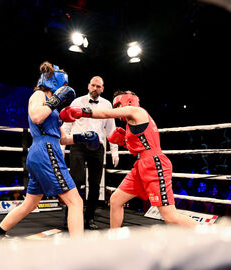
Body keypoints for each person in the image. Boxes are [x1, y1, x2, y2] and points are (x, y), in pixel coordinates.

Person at [0, 61, 100, 238]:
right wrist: (55, 100)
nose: (65, 88)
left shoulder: (52, 107)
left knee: (30, 204)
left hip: (45, 150)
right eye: (63, 84)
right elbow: (36, 117)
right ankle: (80, 249)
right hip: (45, 151)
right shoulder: (39, 95)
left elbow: (62, 138)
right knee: (75, 201)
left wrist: (82, 137)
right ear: (54, 82)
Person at [60, 90, 197, 228]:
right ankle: (114, 239)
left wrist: (83, 112)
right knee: (115, 200)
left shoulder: (137, 111)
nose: (118, 109)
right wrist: (124, 142)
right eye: (116, 106)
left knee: (169, 216)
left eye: (119, 104)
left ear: (129, 100)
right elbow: (138, 150)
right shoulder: (132, 123)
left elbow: (106, 114)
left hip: (154, 164)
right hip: (141, 165)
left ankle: (210, 232)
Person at [61, 76, 119, 230]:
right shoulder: (77, 102)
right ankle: (69, 217)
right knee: (76, 181)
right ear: (88, 86)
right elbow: (67, 125)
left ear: (102, 88)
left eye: (98, 86)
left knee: (95, 185)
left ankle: (89, 218)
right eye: (93, 85)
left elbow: (111, 131)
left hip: (97, 147)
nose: (95, 88)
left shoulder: (107, 104)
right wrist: (61, 148)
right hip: (78, 144)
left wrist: (115, 152)